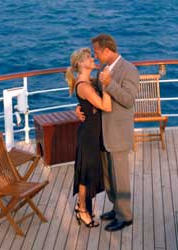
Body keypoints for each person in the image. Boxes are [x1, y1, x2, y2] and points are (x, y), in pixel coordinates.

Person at [76, 34, 139, 232]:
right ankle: (116, 208)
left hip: (118, 133)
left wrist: (110, 83)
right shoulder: (105, 69)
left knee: (120, 177)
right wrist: (80, 108)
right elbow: (90, 92)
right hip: (102, 133)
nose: (95, 55)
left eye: (96, 52)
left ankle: (125, 216)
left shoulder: (129, 69)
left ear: (106, 50)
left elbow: (128, 100)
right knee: (110, 176)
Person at [65, 47, 112, 228]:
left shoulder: (87, 81)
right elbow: (105, 106)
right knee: (85, 174)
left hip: (91, 133)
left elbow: (86, 104)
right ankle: (82, 209)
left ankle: (81, 206)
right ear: (80, 64)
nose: (92, 59)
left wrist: (79, 109)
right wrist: (107, 85)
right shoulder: (84, 86)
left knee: (88, 171)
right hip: (89, 136)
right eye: (88, 57)